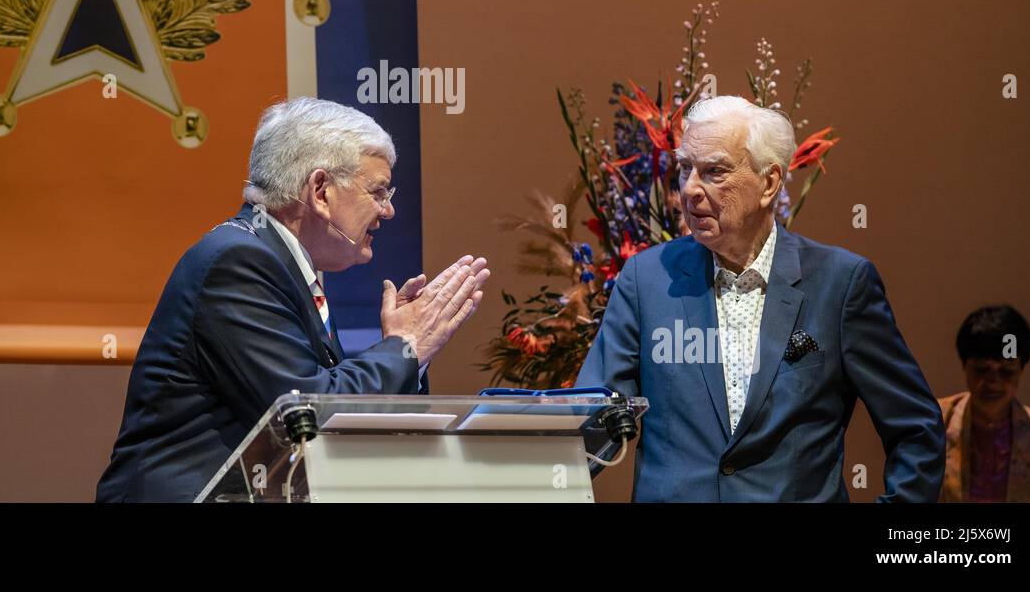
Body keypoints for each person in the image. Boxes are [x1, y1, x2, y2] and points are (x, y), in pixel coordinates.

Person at [96, 97, 489, 502]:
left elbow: (328, 419)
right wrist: (404, 347)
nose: (388, 211)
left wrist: (408, 354)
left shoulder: (279, 264)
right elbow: (304, 414)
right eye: (378, 192)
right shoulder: (240, 262)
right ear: (320, 191)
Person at [577, 95, 944, 501]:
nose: (690, 189)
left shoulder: (840, 284)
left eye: (714, 171)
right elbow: (589, 425)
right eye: (685, 169)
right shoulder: (647, 279)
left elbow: (916, 430)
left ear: (769, 183)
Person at [938, 305, 1030, 502]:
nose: (993, 382)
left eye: (1006, 371)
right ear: (965, 366)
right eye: (981, 370)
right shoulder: (933, 424)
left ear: (1021, 369)